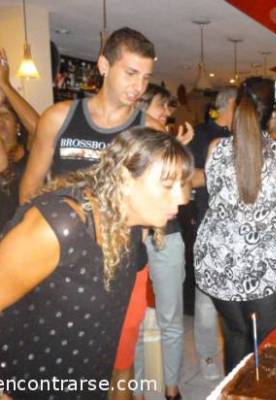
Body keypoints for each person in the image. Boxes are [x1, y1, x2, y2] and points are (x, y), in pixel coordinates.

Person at [0, 128, 193, 400]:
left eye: (182, 185)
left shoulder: (130, 227)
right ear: (125, 178)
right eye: (167, 184)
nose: (182, 198)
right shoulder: (61, 225)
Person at [194, 77, 276, 373]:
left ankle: (236, 390)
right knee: (269, 345)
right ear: (274, 115)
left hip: (217, 265)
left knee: (236, 335)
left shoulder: (215, 147)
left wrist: (275, 205)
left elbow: (224, 195)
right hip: (261, 270)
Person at [19, 27, 189, 203]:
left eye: (146, 78)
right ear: (104, 66)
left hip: (121, 229)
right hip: (65, 227)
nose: (139, 86)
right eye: (131, 73)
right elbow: (30, 190)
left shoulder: (151, 130)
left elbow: (156, 199)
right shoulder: (58, 117)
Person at [132, 83, 188, 400]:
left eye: (168, 108)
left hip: (168, 235)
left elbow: (182, 194)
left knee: (171, 317)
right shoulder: (125, 145)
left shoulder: (170, 148)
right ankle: (136, 391)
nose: (167, 114)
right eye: (161, 106)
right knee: (134, 320)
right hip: (133, 238)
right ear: (141, 107)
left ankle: (171, 389)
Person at [189, 86, 237, 380]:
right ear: (231, 104)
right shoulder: (200, 135)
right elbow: (188, 178)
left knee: (235, 300)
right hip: (209, 225)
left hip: (240, 229)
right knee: (206, 300)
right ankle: (207, 356)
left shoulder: (241, 136)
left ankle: (238, 353)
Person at [0, 48, 39, 230]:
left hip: (25, 235)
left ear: (17, 126)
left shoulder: (28, 151)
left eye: (5, 114)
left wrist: (5, 84)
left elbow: (39, 128)